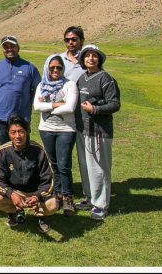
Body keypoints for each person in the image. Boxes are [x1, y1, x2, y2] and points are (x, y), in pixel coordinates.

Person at [74, 44, 120, 220]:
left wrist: (95, 109)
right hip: (82, 128)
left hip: (99, 130)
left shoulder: (105, 78)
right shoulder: (82, 78)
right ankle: (89, 198)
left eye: (94, 56)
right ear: (83, 60)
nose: (91, 59)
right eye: (87, 56)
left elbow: (114, 104)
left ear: (99, 59)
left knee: (99, 168)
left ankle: (101, 205)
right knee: (85, 166)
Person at [0, 115, 58, 233]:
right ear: (8, 133)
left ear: (27, 131)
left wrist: (37, 196)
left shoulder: (38, 151)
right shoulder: (2, 151)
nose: (17, 136)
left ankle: (40, 215)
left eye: (21, 131)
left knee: (53, 204)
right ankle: (14, 211)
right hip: (15, 193)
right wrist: (11, 194)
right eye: (13, 132)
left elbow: (48, 179)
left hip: (35, 192)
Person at [33, 54, 79, 217]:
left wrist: (48, 107)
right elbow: (37, 107)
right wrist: (57, 104)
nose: (55, 70)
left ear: (63, 69)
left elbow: (70, 108)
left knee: (64, 165)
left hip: (66, 129)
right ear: (47, 68)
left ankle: (67, 198)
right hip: (46, 128)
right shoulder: (42, 85)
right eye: (52, 67)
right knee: (53, 164)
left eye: (59, 67)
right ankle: (57, 195)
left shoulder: (70, 85)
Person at [0, 36, 41, 146]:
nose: (9, 49)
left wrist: (25, 100)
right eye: (6, 47)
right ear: (3, 49)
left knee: (23, 151)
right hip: (0, 118)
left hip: (22, 117)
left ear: (18, 48)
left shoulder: (30, 67)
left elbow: (37, 90)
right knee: (3, 151)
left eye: (12, 46)